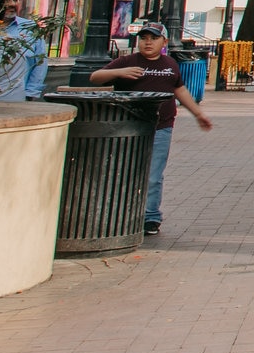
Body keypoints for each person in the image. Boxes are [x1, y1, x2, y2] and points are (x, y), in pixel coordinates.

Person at [91, 21, 213, 236]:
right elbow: (95, 77)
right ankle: (121, 213)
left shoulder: (170, 65)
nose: (148, 43)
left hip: (160, 127)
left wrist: (198, 114)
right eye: (144, 38)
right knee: (123, 171)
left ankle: (150, 216)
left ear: (164, 42)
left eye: (153, 38)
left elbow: (180, 90)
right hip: (128, 128)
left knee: (153, 175)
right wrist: (120, 72)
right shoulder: (127, 61)